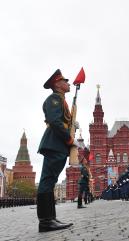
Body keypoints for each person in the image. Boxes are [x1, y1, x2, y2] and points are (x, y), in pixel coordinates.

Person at [37, 69, 77, 232]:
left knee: (51, 180)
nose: (68, 83)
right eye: (65, 81)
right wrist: (69, 139)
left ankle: (50, 218)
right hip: (55, 143)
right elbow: (54, 121)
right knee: (48, 180)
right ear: (57, 84)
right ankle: (46, 221)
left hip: (57, 145)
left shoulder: (61, 100)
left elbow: (63, 120)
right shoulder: (54, 98)